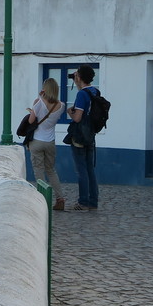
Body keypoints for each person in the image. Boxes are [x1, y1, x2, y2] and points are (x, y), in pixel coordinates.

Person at [25, 78, 64, 210]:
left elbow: (31, 121)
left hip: (37, 141)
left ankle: (43, 201)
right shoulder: (61, 106)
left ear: (44, 89)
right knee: (51, 171)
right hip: (50, 142)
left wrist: (33, 109)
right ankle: (60, 199)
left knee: (39, 171)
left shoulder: (38, 103)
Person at [66, 65, 100, 211]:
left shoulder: (81, 95)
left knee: (81, 170)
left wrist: (69, 112)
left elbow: (78, 118)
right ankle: (93, 201)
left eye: (76, 76)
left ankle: (83, 201)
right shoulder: (95, 91)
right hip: (91, 135)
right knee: (90, 169)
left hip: (80, 136)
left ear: (79, 77)